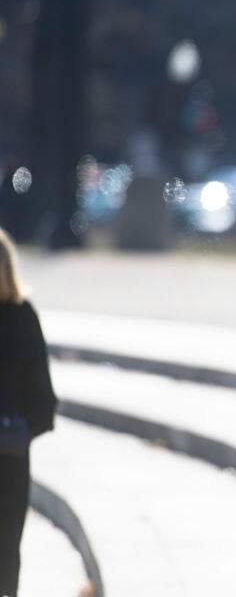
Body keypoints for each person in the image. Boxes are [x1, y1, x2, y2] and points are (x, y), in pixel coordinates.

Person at [0, 227, 57, 597]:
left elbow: (45, 401)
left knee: (5, 557)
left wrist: (15, 431)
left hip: (8, 463)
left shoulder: (22, 318)